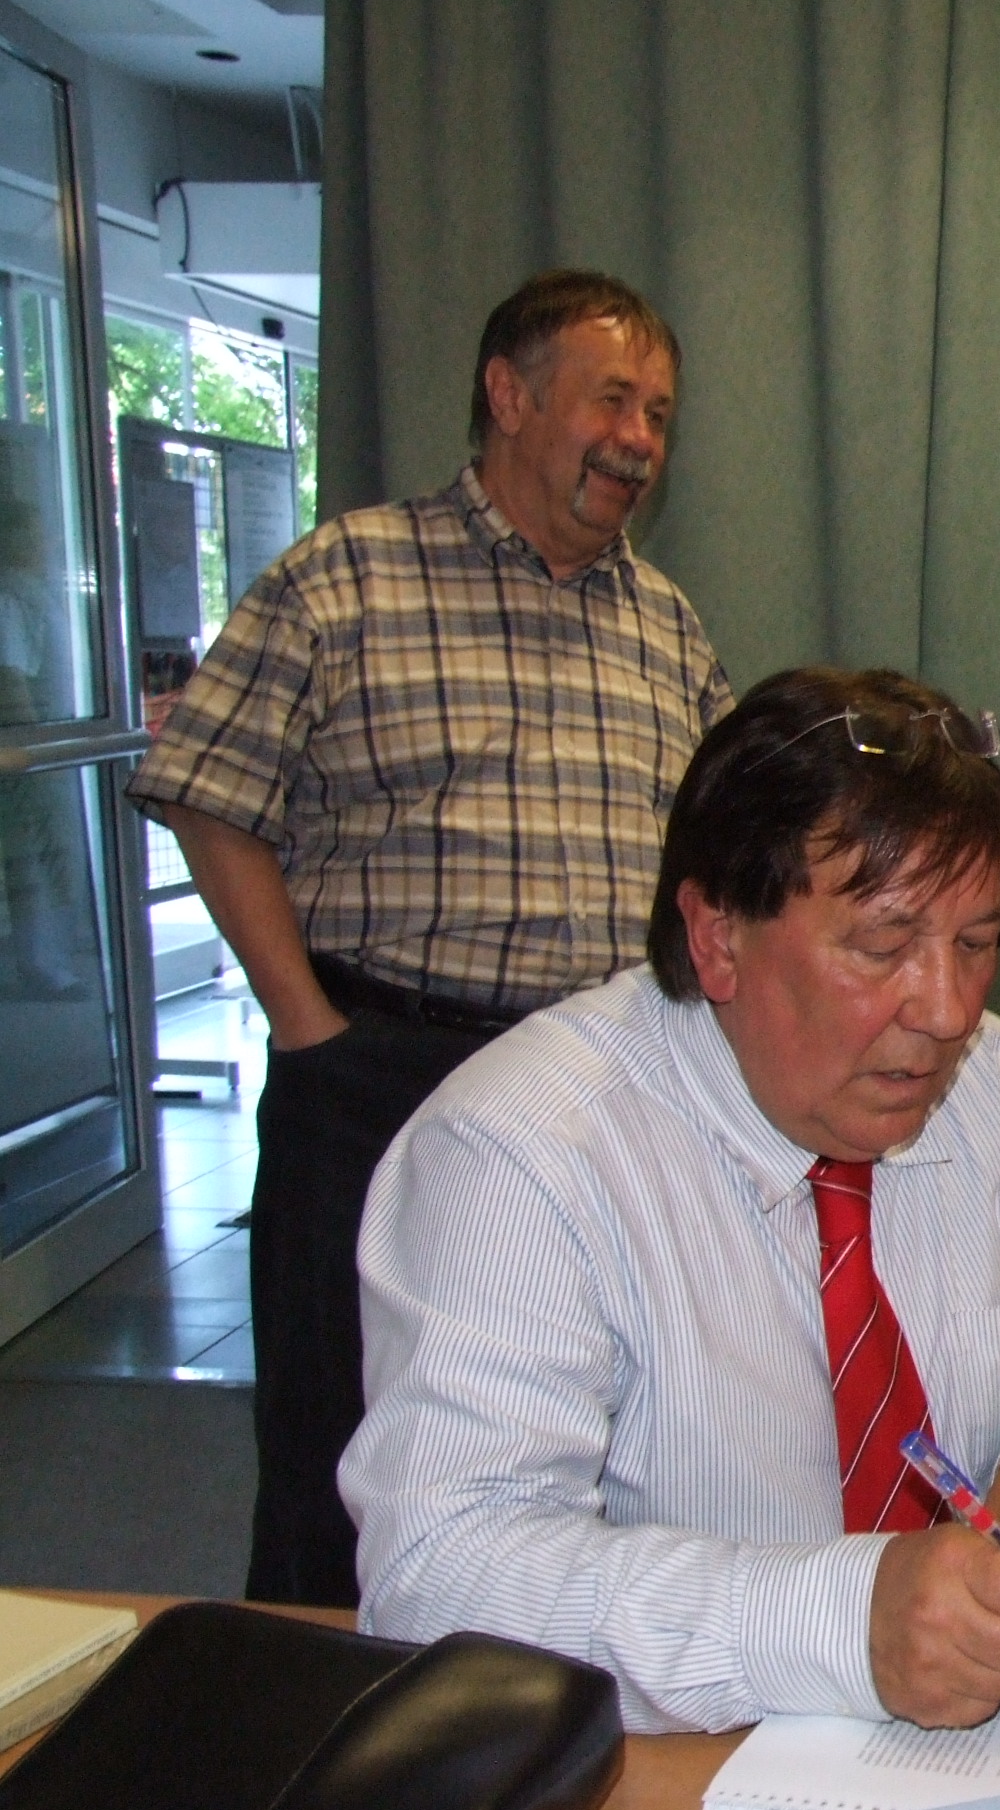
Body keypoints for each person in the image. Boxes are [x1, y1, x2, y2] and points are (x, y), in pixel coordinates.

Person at [342, 667, 1000, 1732]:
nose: (947, 1011)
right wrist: (839, 1623)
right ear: (718, 939)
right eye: (884, 946)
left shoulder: (990, 1086)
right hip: (679, 1770)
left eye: (975, 945)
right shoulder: (520, 1153)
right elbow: (440, 1575)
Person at [126, 270, 733, 1607]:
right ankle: (318, 1719)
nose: (639, 439)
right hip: (379, 1076)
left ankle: (544, 1701)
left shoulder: (666, 624)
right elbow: (207, 794)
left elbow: (717, 857)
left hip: (595, 1093)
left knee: (591, 1440)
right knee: (343, 1445)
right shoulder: (345, 576)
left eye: (659, 413)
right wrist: (311, 1034)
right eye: (612, 401)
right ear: (509, 395)